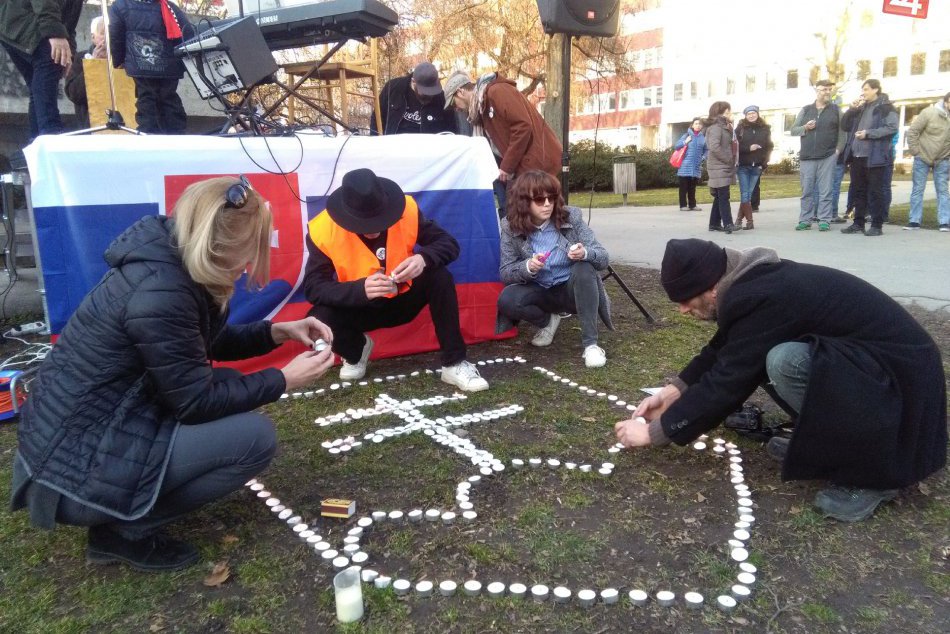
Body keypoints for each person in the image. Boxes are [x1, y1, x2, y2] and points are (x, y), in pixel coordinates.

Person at [10, 177, 336, 571]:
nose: (251, 261)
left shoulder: (169, 263)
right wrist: (284, 379)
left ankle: (124, 514)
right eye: (252, 247)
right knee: (255, 439)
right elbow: (195, 403)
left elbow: (201, 342)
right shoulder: (162, 291)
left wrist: (277, 332)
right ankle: (123, 531)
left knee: (229, 385)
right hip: (71, 472)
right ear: (222, 247)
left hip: (82, 440)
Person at [614, 238, 947, 522]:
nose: (683, 310)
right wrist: (673, 392)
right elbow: (726, 347)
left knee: (784, 361)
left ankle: (874, 475)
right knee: (769, 356)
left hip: (902, 389)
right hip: (875, 373)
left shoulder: (761, 296)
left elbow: (728, 382)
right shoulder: (750, 284)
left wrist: (655, 432)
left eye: (685, 299)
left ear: (712, 287)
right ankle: (823, 443)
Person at [303, 168, 489, 392]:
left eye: (380, 221)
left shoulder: (406, 209)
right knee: (316, 317)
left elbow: (448, 244)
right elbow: (313, 287)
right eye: (364, 225)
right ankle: (356, 351)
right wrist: (360, 289)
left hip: (403, 300)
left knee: (439, 275)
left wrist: (423, 258)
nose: (373, 230)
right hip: (359, 308)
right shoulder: (323, 230)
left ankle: (454, 363)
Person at [497, 170, 612, 368]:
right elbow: (506, 271)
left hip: (572, 289)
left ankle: (591, 345)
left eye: (551, 198)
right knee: (507, 299)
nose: (547, 204)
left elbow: (603, 257)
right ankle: (547, 321)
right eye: (539, 199)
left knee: (584, 268)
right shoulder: (510, 226)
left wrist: (585, 253)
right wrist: (528, 266)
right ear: (524, 202)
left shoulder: (571, 217)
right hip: (540, 290)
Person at [444, 70, 562, 194]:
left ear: (460, 92)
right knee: (517, 204)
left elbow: (522, 126)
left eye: (453, 103)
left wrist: (506, 167)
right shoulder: (482, 106)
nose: (456, 109)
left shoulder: (497, 91)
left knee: (537, 205)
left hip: (537, 165)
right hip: (526, 168)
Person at [0, 0, 84, 139]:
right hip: (26, 19)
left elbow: (69, 17)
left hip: (21, 20)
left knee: (38, 87)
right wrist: (55, 33)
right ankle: (50, 134)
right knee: (49, 64)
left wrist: (70, 51)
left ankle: (40, 140)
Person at [109, 0, 195, 134]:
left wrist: (118, 59)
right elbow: (188, 33)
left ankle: (148, 133)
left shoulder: (121, 5)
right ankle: (177, 134)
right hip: (169, 64)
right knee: (169, 98)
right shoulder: (169, 7)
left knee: (146, 97)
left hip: (140, 62)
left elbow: (116, 36)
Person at [839, 79, 898, 237]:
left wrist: (868, 134)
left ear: (875, 89)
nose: (863, 93)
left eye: (866, 89)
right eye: (863, 89)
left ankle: (877, 225)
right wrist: (851, 109)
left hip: (875, 156)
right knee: (858, 191)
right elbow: (845, 126)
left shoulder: (886, 108)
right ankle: (858, 223)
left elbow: (892, 128)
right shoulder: (860, 108)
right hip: (857, 155)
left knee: (875, 192)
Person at [790, 80, 840, 232]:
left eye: (829, 89)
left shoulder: (836, 110)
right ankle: (805, 220)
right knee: (807, 191)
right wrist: (805, 127)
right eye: (824, 89)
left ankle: (824, 220)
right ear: (817, 91)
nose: (827, 92)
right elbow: (793, 130)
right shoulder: (806, 110)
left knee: (826, 191)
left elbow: (843, 132)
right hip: (807, 157)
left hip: (828, 155)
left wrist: (838, 150)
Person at [370, 62, 458, 135]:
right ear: (413, 81)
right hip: (395, 146)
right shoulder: (393, 88)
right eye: (425, 91)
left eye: (432, 91)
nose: (429, 95)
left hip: (428, 148)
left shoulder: (440, 98)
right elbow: (377, 118)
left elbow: (451, 129)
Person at [904, 92, 950, 232]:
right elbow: (913, 132)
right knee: (918, 189)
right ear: (946, 102)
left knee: (943, 191)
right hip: (922, 157)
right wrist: (915, 151)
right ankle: (914, 221)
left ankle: (944, 222)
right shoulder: (929, 113)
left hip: (943, 158)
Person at [64, 16, 109, 129]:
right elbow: (74, 94)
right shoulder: (80, 58)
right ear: (93, 37)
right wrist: (94, 63)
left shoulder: (125, 59)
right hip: (91, 124)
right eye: (103, 33)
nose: (108, 37)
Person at [734, 105, 772, 230]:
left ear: (757, 114)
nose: (751, 115)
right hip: (743, 166)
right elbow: (735, 146)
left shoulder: (765, 128)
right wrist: (748, 148)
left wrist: (764, 163)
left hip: (757, 167)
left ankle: (740, 221)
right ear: (745, 116)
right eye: (749, 114)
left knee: (748, 195)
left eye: (753, 113)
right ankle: (748, 221)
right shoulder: (740, 128)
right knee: (745, 194)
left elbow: (769, 147)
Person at [704, 101, 738, 233]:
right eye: (728, 112)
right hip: (719, 166)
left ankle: (714, 223)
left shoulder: (724, 127)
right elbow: (714, 147)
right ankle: (728, 224)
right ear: (720, 113)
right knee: (724, 195)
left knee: (719, 196)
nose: (730, 114)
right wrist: (728, 159)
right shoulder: (716, 128)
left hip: (721, 165)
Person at [674, 117, 707, 212]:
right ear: (692, 125)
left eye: (700, 124)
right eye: (696, 123)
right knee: (683, 188)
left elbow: (707, 150)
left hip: (696, 167)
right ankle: (683, 205)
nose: (698, 125)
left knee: (692, 188)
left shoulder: (703, 138)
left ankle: (692, 205)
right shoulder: (686, 135)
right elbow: (677, 146)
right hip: (685, 167)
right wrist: (685, 142)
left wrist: (703, 157)